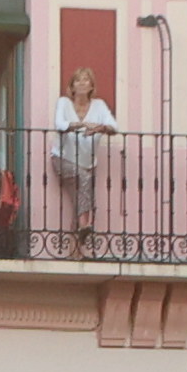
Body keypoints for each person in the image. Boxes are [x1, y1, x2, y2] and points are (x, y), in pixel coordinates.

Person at [47, 62, 118, 247]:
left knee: (81, 198)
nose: (82, 83)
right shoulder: (64, 102)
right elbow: (60, 124)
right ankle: (84, 224)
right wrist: (81, 126)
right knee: (84, 179)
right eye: (77, 80)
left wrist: (100, 128)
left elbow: (113, 126)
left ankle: (77, 245)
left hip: (87, 162)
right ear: (71, 86)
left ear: (91, 86)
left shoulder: (99, 105)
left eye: (86, 80)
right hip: (62, 158)